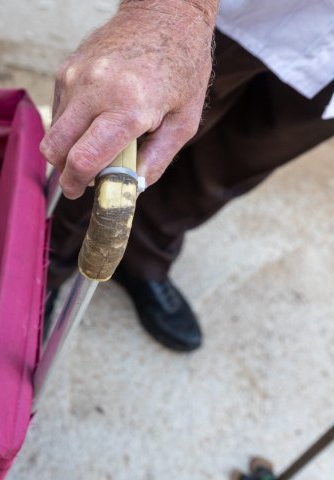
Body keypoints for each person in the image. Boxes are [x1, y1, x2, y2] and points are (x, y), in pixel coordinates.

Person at [42, 0, 334, 352]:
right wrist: (171, 16)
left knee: (230, 164)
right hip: (235, 16)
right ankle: (47, 265)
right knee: (118, 153)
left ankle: (145, 256)